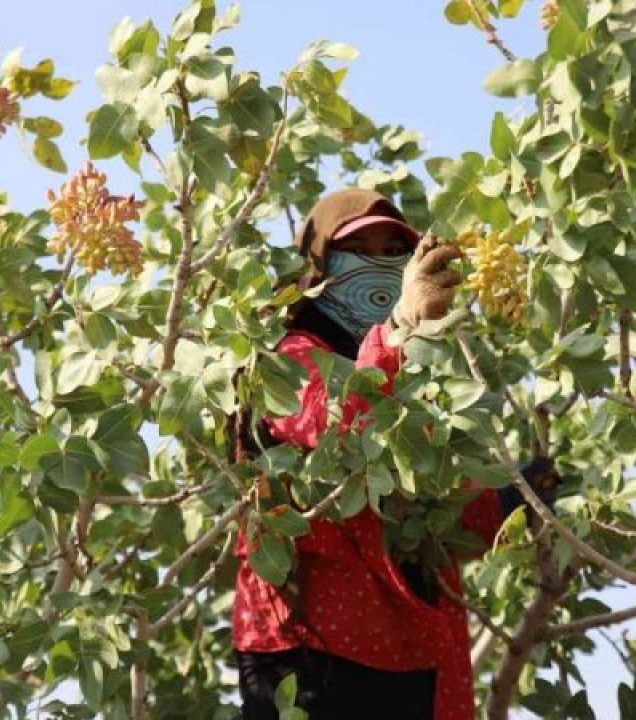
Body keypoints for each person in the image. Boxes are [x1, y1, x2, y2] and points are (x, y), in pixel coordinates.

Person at [232, 189, 554, 720]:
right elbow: (335, 424)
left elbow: (432, 515)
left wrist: (512, 502)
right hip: (308, 654)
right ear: (318, 265)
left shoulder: (415, 383)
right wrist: (401, 326)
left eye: (392, 249)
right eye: (359, 247)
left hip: (410, 658)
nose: (379, 263)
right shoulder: (286, 356)